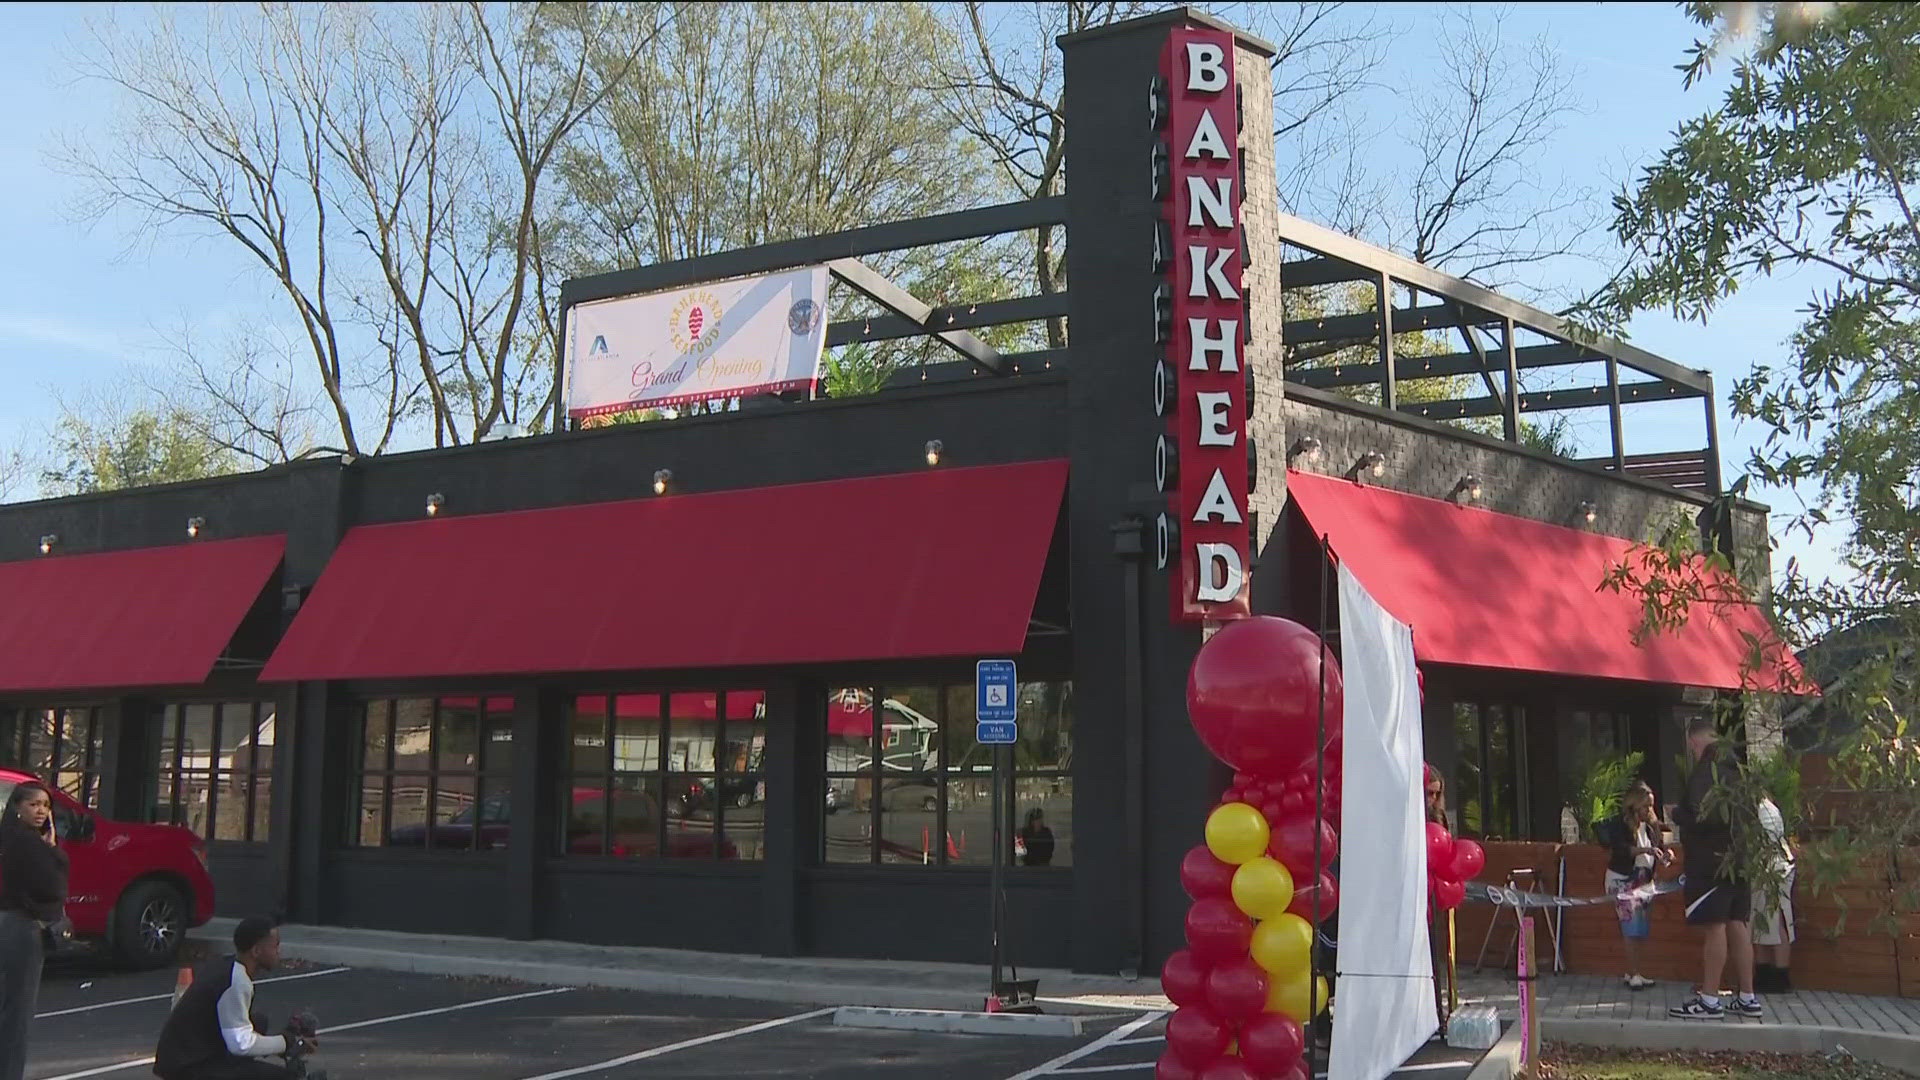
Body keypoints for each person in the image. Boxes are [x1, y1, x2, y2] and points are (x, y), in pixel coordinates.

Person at [1669, 718, 1761, 1019]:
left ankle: (1709, 1000)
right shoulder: (1739, 771)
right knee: (1738, 924)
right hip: (1740, 860)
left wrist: (1679, 815)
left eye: (1693, 747)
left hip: (1711, 862)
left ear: (1696, 743)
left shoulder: (1706, 771)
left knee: (1716, 926)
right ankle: (1748, 996)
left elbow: (1703, 815)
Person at [154, 917, 316, 1079]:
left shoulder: (228, 966)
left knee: (259, 1021)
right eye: (275, 946)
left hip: (186, 1054)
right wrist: (287, 1042)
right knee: (285, 1077)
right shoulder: (236, 982)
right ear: (256, 951)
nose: (279, 952)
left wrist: (281, 1045)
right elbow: (241, 1044)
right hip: (187, 1067)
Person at [2, 781, 71, 1080]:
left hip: (8, 923)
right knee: (17, 1014)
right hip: (22, 928)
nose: (41, 811)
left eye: (45, 805)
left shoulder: (8, 836)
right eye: (33, 804)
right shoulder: (28, 843)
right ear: (18, 807)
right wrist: (53, 850)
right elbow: (52, 887)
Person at [1594, 781, 1668, 990]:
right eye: (1645, 806)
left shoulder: (1652, 826)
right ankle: (1634, 972)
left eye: (1651, 806)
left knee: (1641, 929)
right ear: (1634, 805)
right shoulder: (1622, 824)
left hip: (1644, 881)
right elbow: (1621, 850)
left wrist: (1665, 855)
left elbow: (1659, 848)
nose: (1649, 810)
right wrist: (1645, 851)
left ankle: (1635, 970)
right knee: (1630, 927)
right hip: (1622, 880)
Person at [1752, 793, 1796, 993]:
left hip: (1770, 868)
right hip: (1773, 866)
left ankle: (1779, 976)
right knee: (1762, 921)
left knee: (1775, 921)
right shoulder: (1768, 806)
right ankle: (1767, 974)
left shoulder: (1758, 809)